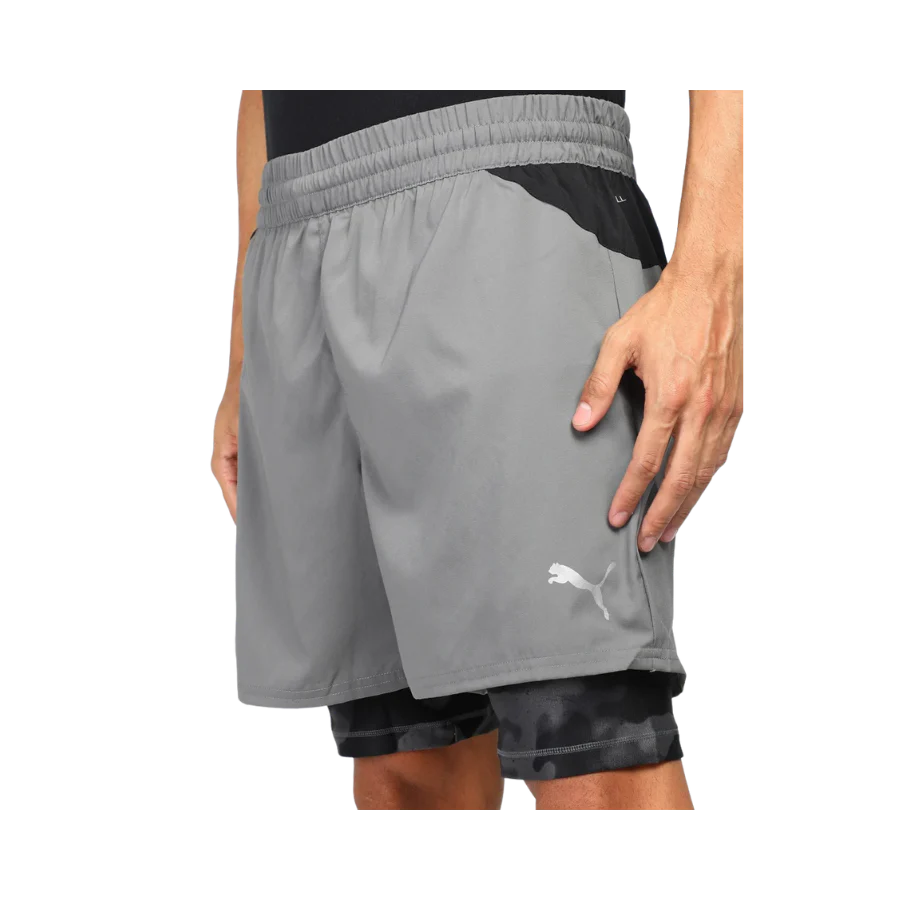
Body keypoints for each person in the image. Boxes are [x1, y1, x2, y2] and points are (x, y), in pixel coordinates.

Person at [216, 88, 744, 812]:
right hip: (298, 229)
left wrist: (713, 274)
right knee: (407, 764)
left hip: (506, 184)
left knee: (592, 754)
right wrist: (247, 345)